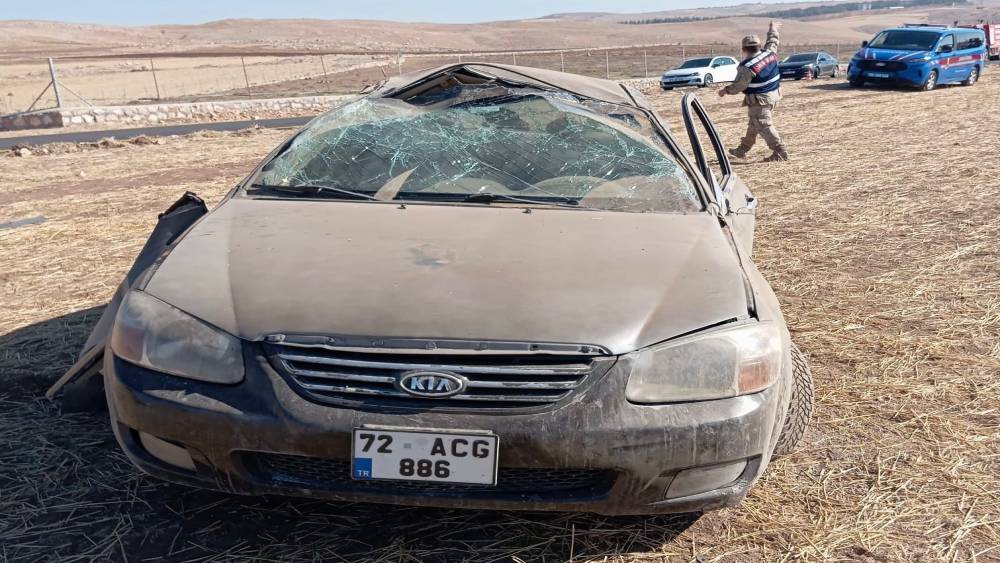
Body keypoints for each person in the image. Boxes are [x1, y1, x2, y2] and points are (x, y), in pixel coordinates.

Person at [718, 21, 789, 162]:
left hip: (760, 100)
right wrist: (772, 28)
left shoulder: (747, 66)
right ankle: (742, 150)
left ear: (743, 49)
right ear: (759, 46)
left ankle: (780, 151)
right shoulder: (770, 53)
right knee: (754, 124)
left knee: (763, 124)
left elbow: (739, 85)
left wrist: (725, 91)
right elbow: (773, 40)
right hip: (774, 95)